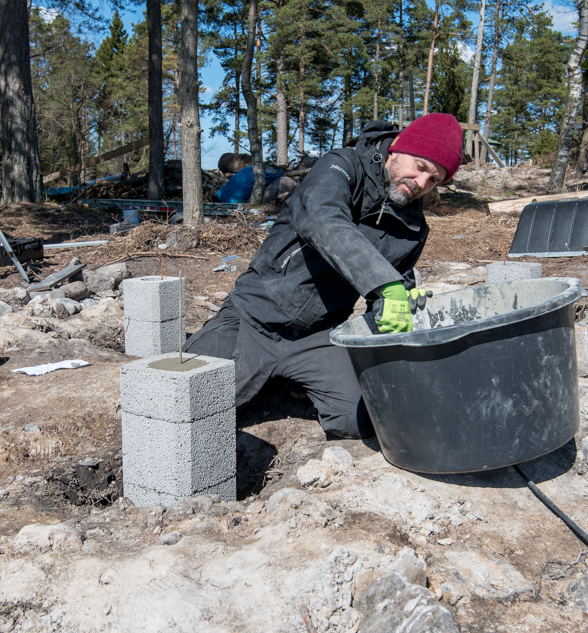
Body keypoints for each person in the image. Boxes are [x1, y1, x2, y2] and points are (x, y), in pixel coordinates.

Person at [184, 113, 463, 439]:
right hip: (255, 318)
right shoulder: (342, 166)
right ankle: (238, 359)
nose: (421, 183)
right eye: (420, 166)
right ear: (397, 148)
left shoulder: (413, 229)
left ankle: (291, 378)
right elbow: (322, 217)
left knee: (366, 418)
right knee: (188, 401)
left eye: (434, 179)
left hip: (319, 335)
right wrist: (386, 284)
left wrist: (399, 303)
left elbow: (390, 294)